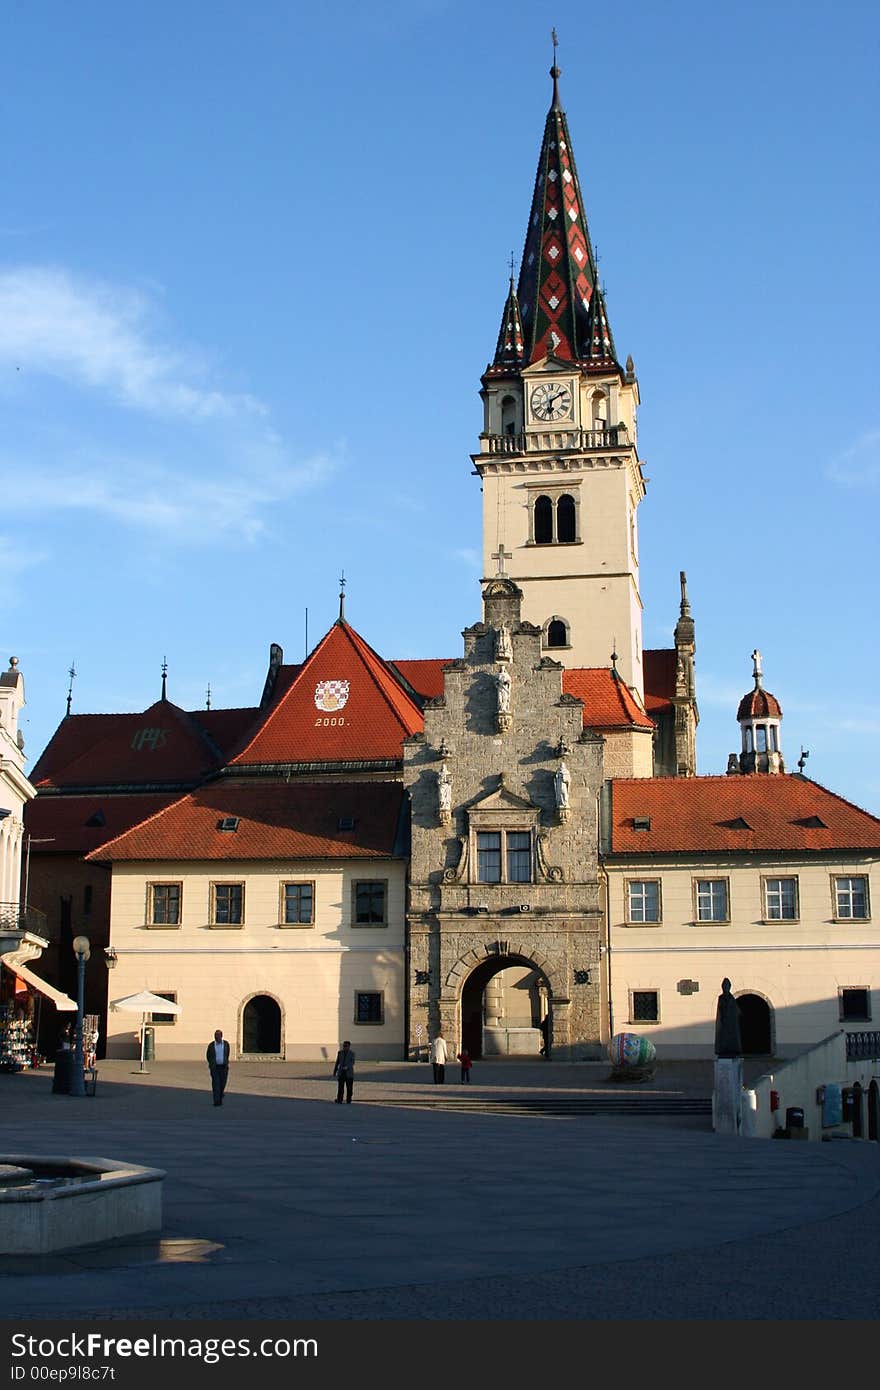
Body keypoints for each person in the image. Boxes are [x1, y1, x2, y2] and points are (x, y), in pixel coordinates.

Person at [206, 1028, 230, 1106]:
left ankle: (220, 1094)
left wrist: (225, 1062)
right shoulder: (211, 1045)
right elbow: (208, 1055)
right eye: (215, 1036)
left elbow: (227, 1054)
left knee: (223, 1083)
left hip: (223, 1067)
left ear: (221, 1036)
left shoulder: (226, 1044)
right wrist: (211, 1064)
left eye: (218, 1036)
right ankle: (217, 1101)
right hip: (215, 1067)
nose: (216, 1037)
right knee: (216, 1084)